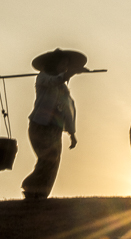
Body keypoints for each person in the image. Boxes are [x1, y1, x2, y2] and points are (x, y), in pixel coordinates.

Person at [22, 48, 87, 200]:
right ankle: (31, 187)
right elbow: (55, 80)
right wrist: (71, 73)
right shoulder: (43, 78)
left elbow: (68, 109)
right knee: (48, 157)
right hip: (40, 125)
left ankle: (40, 194)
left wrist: (72, 133)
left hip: (55, 129)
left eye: (66, 64)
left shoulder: (63, 89)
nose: (64, 66)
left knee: (54, 160)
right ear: (54, 63)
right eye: (62, 63)